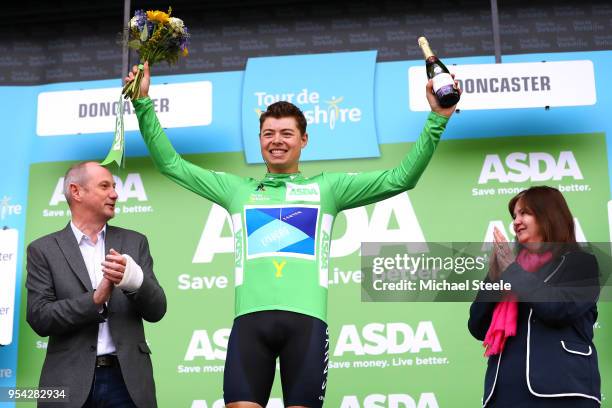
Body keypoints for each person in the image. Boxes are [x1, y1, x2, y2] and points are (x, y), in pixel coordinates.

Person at [128, 61, 458, 408]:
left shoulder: (328, 188)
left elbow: (401, 178)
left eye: (286, 133)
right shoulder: (237, 190)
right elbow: (171, 165)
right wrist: (143, 103)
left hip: (307, 326)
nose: (277, 141)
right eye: (269, 134)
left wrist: (438, 118)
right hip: (249, 326)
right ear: (259, 140)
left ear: (304, 139)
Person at [26, 161, 167, 408]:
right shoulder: (43, 250)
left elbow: (157, 310)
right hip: (67, 382)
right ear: (76, 191)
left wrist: (134, 282)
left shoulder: (134, 242)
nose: (114, 193)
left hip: (128, 382)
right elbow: (39, 317)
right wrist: (94, 299)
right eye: (104, 186)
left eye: (114, 186)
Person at [468, 186, 601, 407]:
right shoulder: (511, 268)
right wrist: (493, 277)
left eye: (525, 213)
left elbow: (558, 310)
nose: (516, 221)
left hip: (562, 393)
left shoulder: (580, 262)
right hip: (503, 395)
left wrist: (511, 270)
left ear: (549, 215)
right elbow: (477, 326)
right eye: (514, 216)